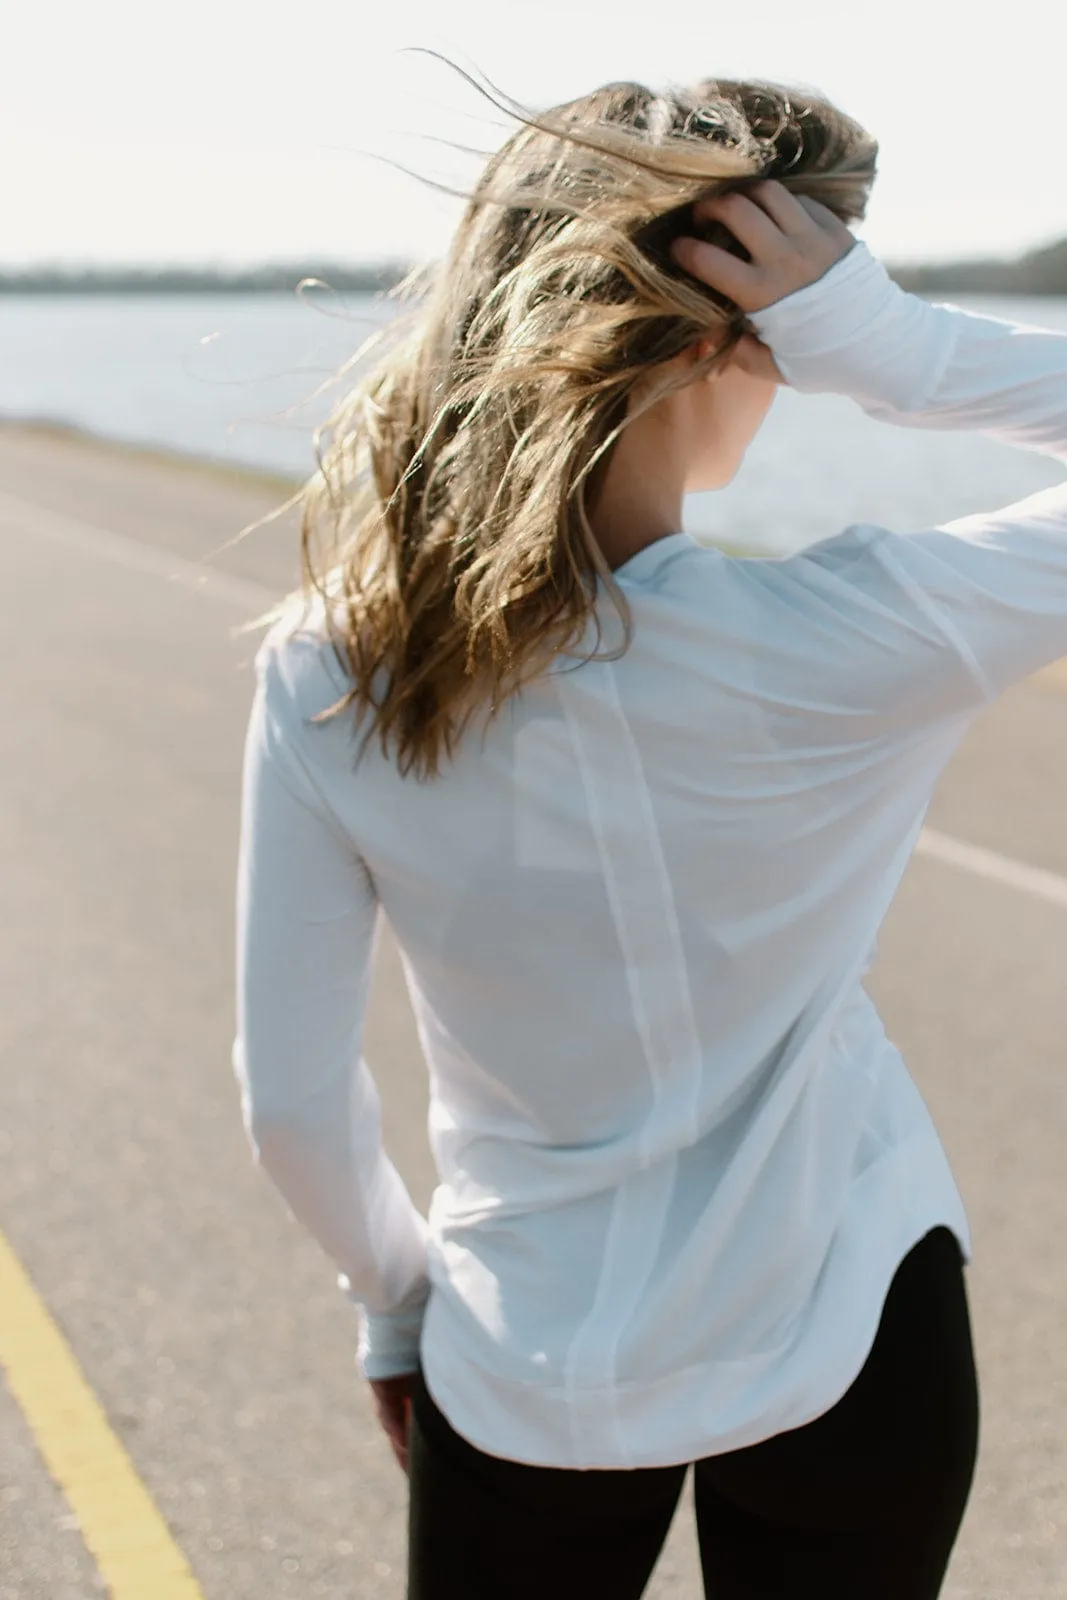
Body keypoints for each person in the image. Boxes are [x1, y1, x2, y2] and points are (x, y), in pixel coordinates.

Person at [230, 68, 1067, 1597]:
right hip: (847, 1323)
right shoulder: (853, 640)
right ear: (730, 339)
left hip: (519, 1356)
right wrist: (892, 346)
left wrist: (394, 1306)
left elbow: (290, 1105)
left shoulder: (331, 673)